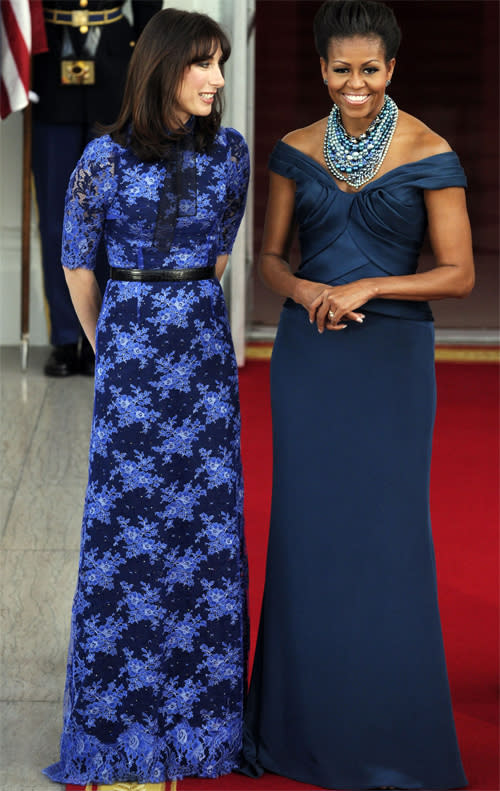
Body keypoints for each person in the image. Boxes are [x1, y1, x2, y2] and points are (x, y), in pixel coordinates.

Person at [242, 1, 474, 789]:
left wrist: (371, 283)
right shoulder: (293, 150)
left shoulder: (429, 150)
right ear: (320, 69)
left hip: (392, 362)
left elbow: (460, 272)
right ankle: (296, 732)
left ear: (393, 69)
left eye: (370, 69)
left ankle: (389, 737)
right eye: (341, 69)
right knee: (307, 537)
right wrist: (303, 287)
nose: (356, 84)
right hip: (310, 361)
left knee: (387, 540)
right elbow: (269, 259)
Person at [43, 8, 250, 785]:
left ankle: (200, 721)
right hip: (129, 357)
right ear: (163, 66)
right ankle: (118, 724)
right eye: (204, 63)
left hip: (201, 358)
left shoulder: (231, 154)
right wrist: (113, 344)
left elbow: (221, 252)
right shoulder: (102, 158)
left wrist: (184, 315)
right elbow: (75, 263)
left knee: (202, 532)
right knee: (127, 532)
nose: (218, 79)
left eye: (222, 63)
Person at [32, 0, 161, 376]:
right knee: (57, 217)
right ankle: (64, 336)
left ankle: (103, 334)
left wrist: (147, 73)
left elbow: (148, 9)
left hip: (115, 72)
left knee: (114, 217)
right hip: (50, 66)